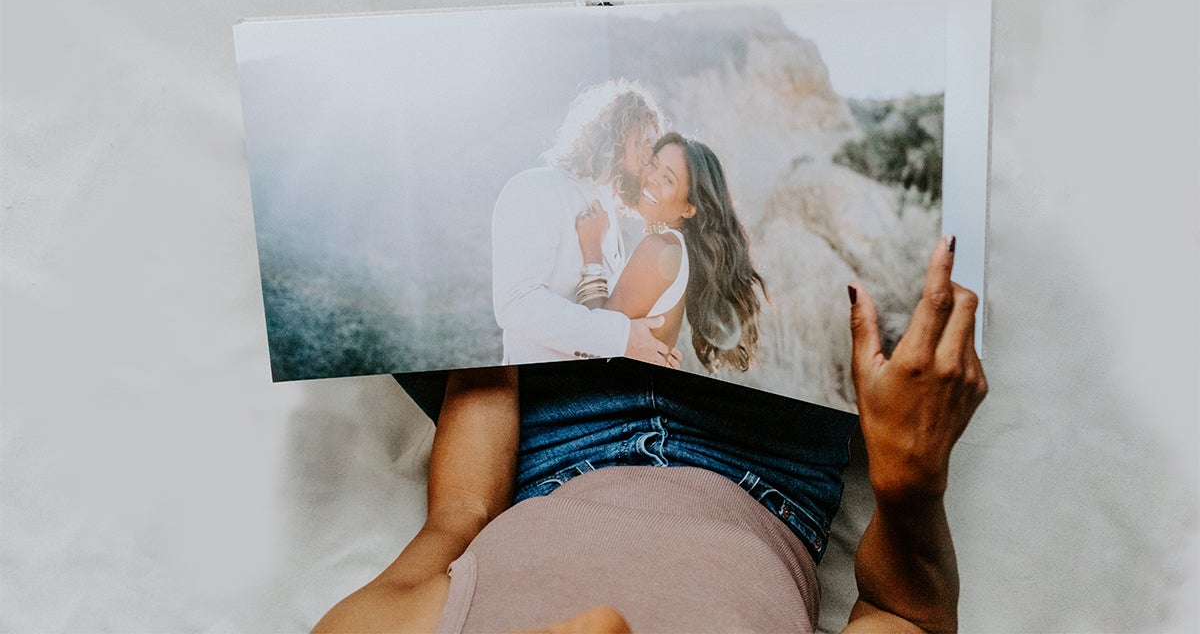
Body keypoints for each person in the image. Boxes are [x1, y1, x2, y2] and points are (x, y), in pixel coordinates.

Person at [315, 236, 987, 633]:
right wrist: (910, 483)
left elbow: (461, 512)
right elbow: (904, 619)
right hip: (764, 454)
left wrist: (485, 332)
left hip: (557, 437)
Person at [490, 79, 680, 368]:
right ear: (611, 135)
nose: (649, 159)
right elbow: (517, 304)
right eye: (643, 142)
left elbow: (604, 312)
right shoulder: (536, 187)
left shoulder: (607, 210)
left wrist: (652, 349)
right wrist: (623, 338)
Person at [573, 132, 766, 372]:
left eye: (668, 179)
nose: (652, 178)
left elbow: (595, 342)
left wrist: (592, 252)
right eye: (653, 165)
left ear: (688, 208)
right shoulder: (674, 249)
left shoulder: (660, 249)